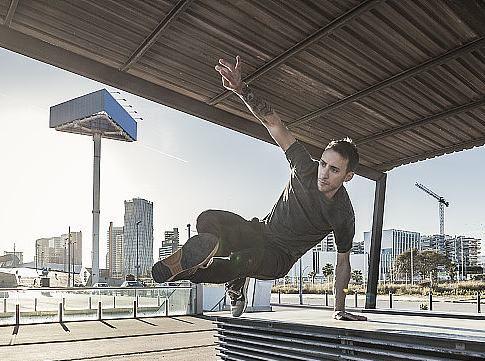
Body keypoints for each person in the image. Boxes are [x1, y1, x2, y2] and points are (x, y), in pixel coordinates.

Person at [152, 55, 366, 322]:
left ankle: (194, 273)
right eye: (323, 164)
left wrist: (340, 307)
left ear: (348, 176)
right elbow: (274, 124)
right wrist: (241, 89)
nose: (323, 174)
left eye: (334, 170)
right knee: (207, 219)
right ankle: (219, 270)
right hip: (259, 231)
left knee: (242, 261)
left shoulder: (343, 214)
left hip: (279, 256)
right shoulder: (304, 166)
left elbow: (343, 263)